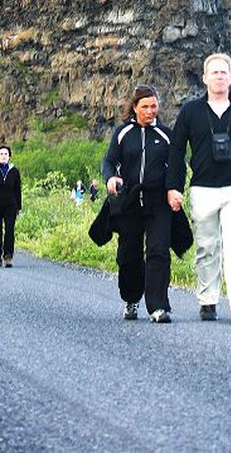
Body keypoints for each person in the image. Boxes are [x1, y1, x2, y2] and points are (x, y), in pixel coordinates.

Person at [167, 53, 231, 324]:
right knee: (207, 247)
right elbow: (176, 151)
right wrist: (174, 187)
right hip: (203, 189)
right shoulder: (190, 112)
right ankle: (207, 300)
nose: (219, 77)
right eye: (215, 73)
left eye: (224, 73)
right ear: (205, 77)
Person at [102, 84, 173, 323]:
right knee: (129, 254)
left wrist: (175, 190)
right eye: (145, 107)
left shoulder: (165, 135)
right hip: (130, 202)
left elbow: (176, 167)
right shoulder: (122, 133)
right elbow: (109, 162)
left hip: (158, 202)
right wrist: (110, 177)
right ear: (134, 107)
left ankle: (158, 306)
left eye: (154, 106)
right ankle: (131, 299)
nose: (150, 111)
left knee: (158, 251)